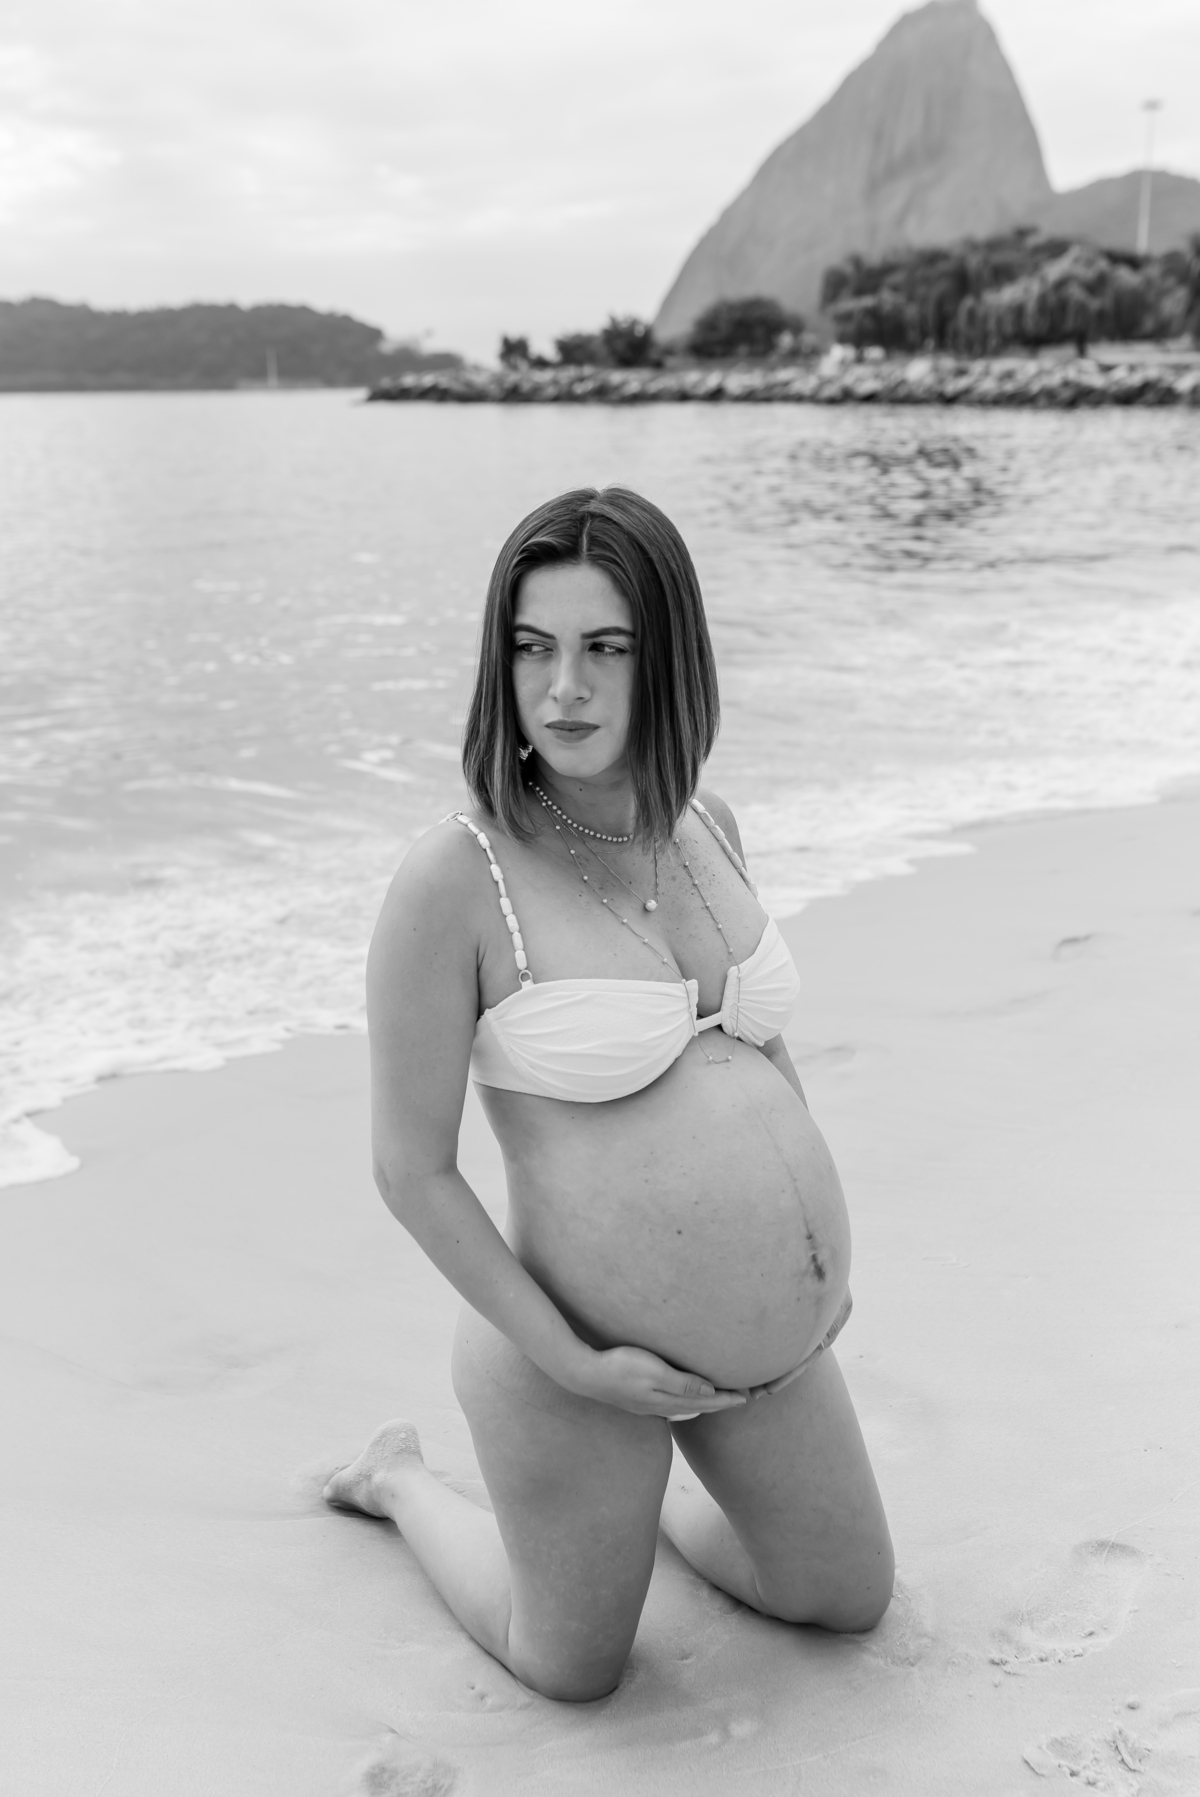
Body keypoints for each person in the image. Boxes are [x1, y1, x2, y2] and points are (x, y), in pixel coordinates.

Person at [324, 486, 893, 1701]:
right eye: (531, 649)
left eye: (603, 648)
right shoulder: (453, 878)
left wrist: (815, 1265)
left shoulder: (707, 826)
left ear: (667, 658)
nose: (562, 689)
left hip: (766, 1353)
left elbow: (751, 1048)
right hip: (569, 1349)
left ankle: (647, 1511)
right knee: (571, 1668)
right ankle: (399, 1480)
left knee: (844, 1599)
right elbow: (410, 1170)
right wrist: (581, 1369)